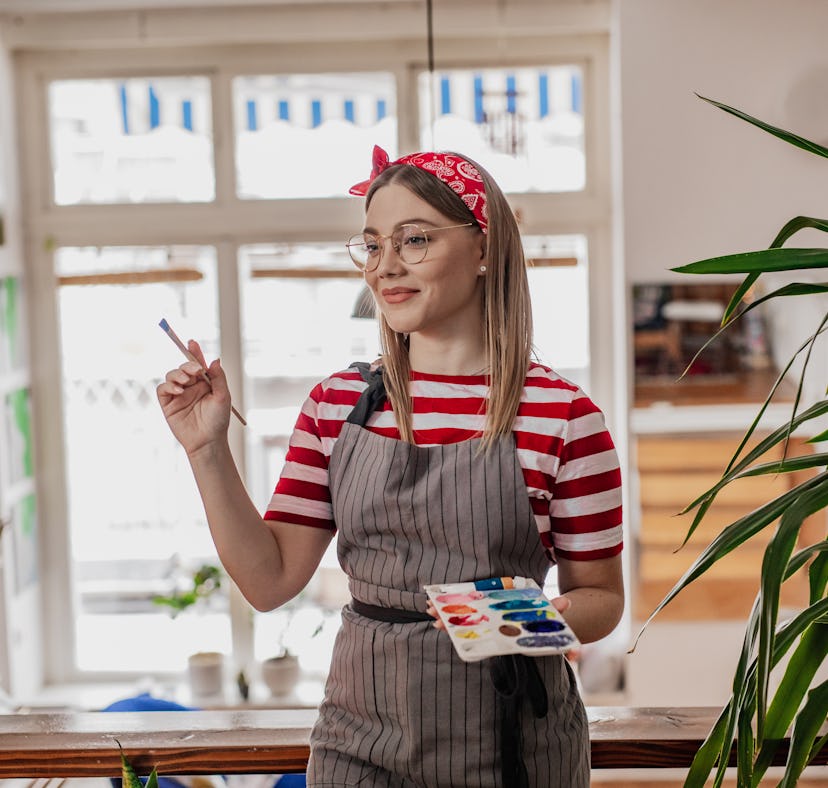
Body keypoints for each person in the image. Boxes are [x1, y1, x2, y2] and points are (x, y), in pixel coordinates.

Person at [157, 144, 624, 788]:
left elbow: (602, 599)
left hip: (513, 743)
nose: (385, 267)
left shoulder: (563, 416)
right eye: (373, 245)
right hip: (358, 742)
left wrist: (520, 618)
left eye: (414, 240)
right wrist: (205, 449)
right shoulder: (337, 404)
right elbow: (269, 583)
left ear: (485, 249)